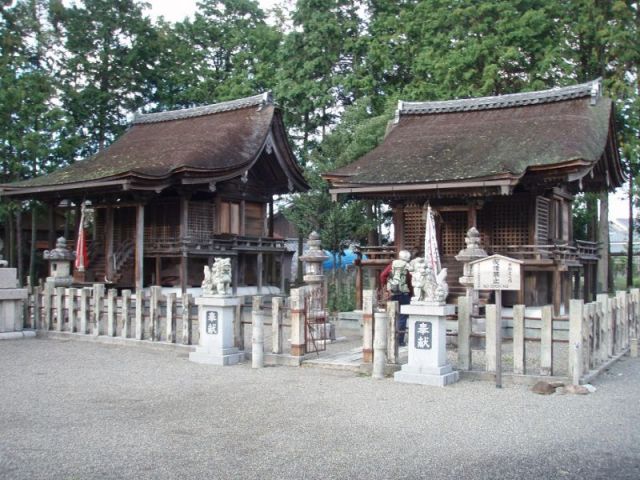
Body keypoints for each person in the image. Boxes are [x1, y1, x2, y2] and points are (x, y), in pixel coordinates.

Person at [380, 250, 412, 346]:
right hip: (404, 294)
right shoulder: (408, 266)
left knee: (392, 316)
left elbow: (382, 275)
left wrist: (385, 287)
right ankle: (400, 341)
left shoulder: (392, 265)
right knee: (402, 317)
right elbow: (410, 281)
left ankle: (390, 339)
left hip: (392, 294)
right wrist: (411, 293)